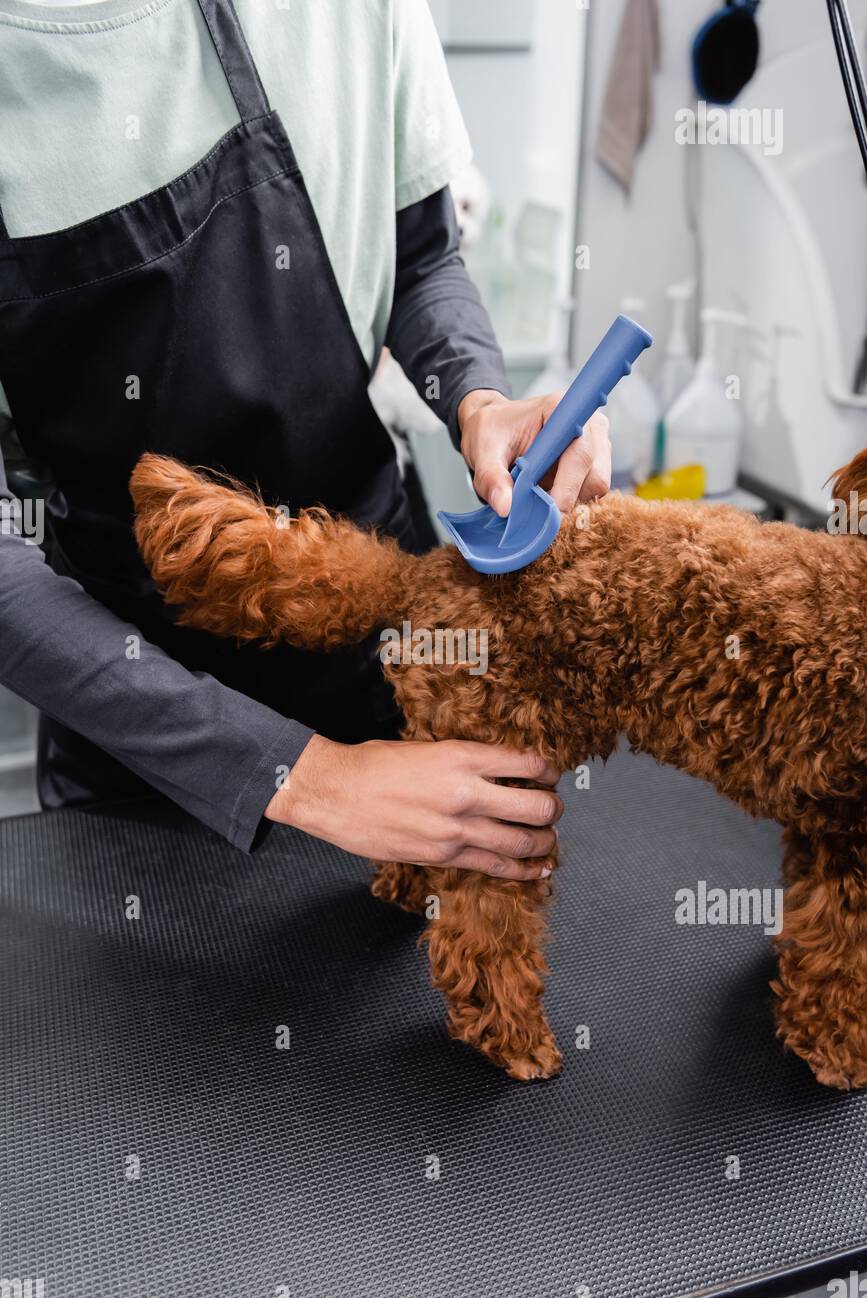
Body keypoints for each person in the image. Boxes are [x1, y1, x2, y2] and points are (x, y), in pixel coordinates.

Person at [0, 0, 611, 879]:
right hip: (137, 736)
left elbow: (423, 257)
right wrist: (303, 775)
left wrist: (476, 399)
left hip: (391, 686)